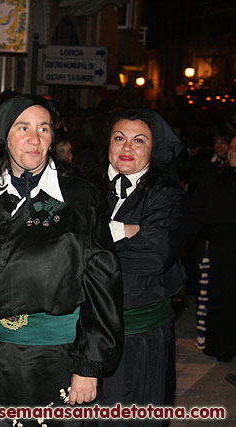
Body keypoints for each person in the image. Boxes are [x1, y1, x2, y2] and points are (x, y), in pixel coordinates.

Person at [0, 95, 123, 426]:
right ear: (3, 135)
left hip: (52, 359)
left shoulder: (79, 198)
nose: (35, 139)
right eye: (23, 128)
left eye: (44, 129)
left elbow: (103, 285)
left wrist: (88, 365)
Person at [97, 109, 188, 423]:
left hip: (142, 335)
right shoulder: (87, 189)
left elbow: (157, 253)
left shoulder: (166, 194)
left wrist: (107, 233)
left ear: (154, 149)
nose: (126, 148)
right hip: (89, 333)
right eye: (119, 138)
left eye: (139, 141)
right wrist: (130, 230)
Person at [188, 135, 236, 362]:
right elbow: (198, 210)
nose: (232, 151)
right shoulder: (216, 174)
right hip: (217, 249)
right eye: (232, 147)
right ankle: (219, 345)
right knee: (217, 300)